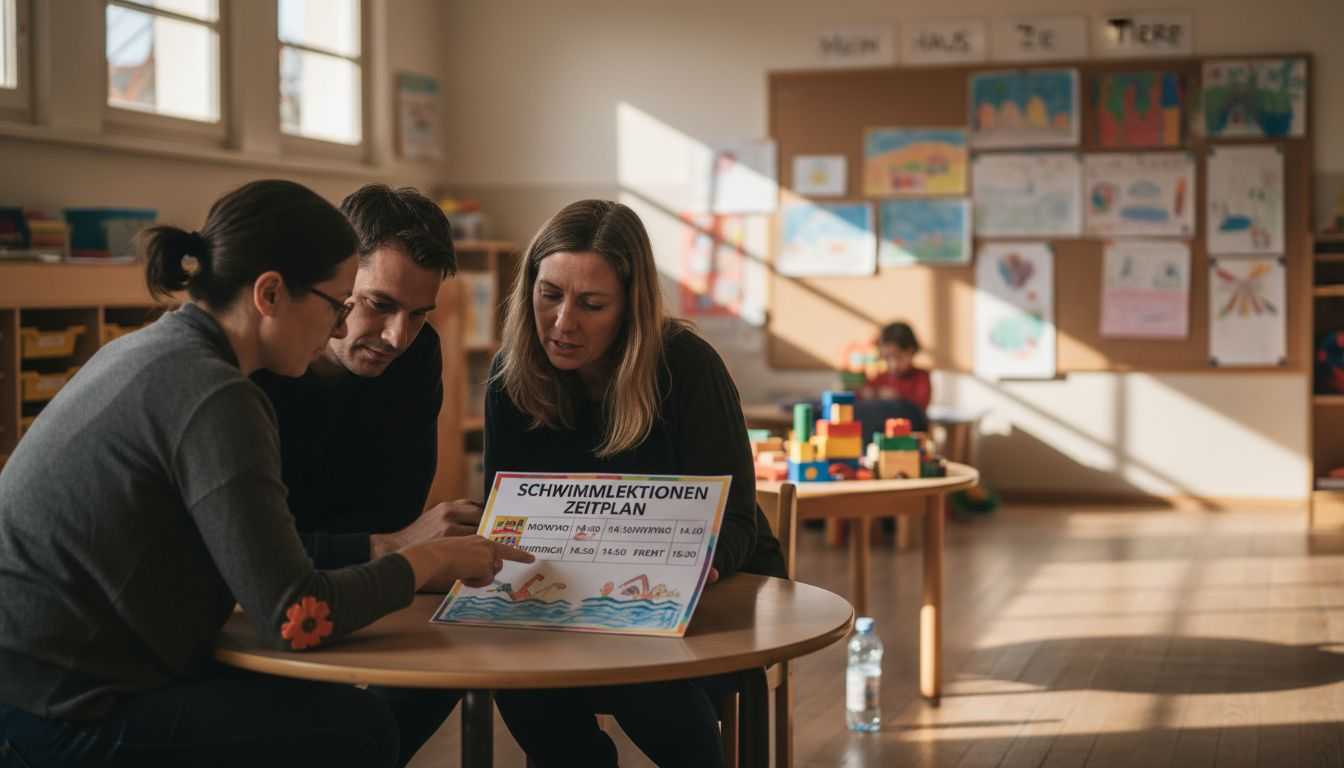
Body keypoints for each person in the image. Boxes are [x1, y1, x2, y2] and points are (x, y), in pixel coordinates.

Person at [0, 179, 532, 768]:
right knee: (360, 731)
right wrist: (425, 559)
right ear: (270, 294)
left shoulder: (159, 348)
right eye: (338, 304)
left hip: (57, 678)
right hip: (57, 707)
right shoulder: (217, 393)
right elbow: (296, 619)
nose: (338, 328)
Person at [484, 199, 786, 768]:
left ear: (630, 308)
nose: (563, 322)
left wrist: (687, 572)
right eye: (549, 295)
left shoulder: (687, 366)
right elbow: (507, 515)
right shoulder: (510, 374)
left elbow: (736, 523)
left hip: (716, 586)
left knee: (642, 677)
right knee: (518, 679)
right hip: (571, 591)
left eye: (592, 304)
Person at [251, 183, 477, 764]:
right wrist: (390, 547)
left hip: (336, 582)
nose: (398, 337)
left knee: (452, 662)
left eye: (419, 314)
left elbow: (396, 509)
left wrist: (390, 546)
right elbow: (250, 555)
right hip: (252, 604)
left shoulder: (417, 353)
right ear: (335, 280)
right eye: (379, 304)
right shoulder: (253, 368)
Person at [861, 320, 932, 410]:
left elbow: (921, 403)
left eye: (897, 358)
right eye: (887, 359)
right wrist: (869, 394)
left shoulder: (921, 377)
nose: (892, 365)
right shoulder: (880, 378)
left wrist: (897, 397)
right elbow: (860, 396)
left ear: (910, 351)